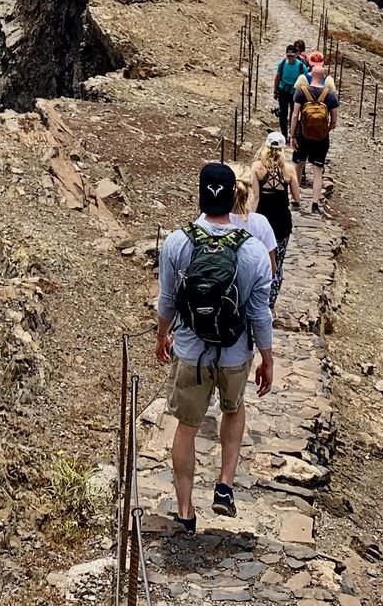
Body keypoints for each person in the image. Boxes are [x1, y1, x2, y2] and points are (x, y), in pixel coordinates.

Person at [155, 162, 275, 532]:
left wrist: (162, 336)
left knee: (187, 426)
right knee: (233, 409)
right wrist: (267, 358)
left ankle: (185, 511)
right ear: (236, 195)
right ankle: (224, 485)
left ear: (200, 193)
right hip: (235, 351)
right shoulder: (253, 251)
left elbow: (167, 301)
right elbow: (260, 314)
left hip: (191, 349)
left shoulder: (177, 242)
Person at [251, 132, 301, 303]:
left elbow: (255, 197)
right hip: (281, 222)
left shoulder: (257, 167)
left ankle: (257, 297)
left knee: (259, 260)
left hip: (262, 221)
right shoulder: (289, 169)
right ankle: (271, 302)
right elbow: (297, 198)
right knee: (277, 264)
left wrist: (250, 218)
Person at [290, 63, 340, 207]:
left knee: (298, 165)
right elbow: (334, 121)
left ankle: (295, 198)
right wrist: (326, 131)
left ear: (310, 75)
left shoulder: (301, 92)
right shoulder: (330, 96)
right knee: (318, 170)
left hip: (302, 135)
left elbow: (295, 115)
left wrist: (292, 136)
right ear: (324, 77)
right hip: (321, 138)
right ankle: (315, 202)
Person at [272, 43, 305, 132]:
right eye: (288, 56)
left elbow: (305, 79)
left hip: (295, 93)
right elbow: (277, 77)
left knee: (294, 113)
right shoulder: (282, 64)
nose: (290, 58)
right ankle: (284, 133)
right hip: (283, 91)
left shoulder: (301, 66)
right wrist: (275, 91)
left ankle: (292, 131)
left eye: (292, 56)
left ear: (296, 55)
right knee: (283, 113)